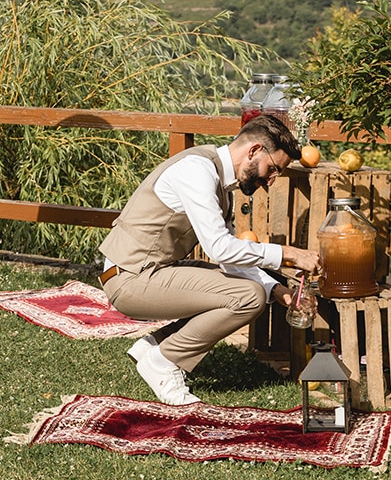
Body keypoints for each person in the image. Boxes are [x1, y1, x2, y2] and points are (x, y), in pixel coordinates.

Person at [98, 114, 321, 404]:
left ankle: (157, 345)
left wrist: (277, 291)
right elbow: (219, 249)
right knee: (248, 297)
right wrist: (287, 254)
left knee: (243, 289)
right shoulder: (197, 171)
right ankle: (165, 361)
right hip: (129, 279)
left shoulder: (219, 183)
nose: (270, 181)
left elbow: (230, 259)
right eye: (273, 169)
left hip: (150, 271)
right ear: (254, 151)